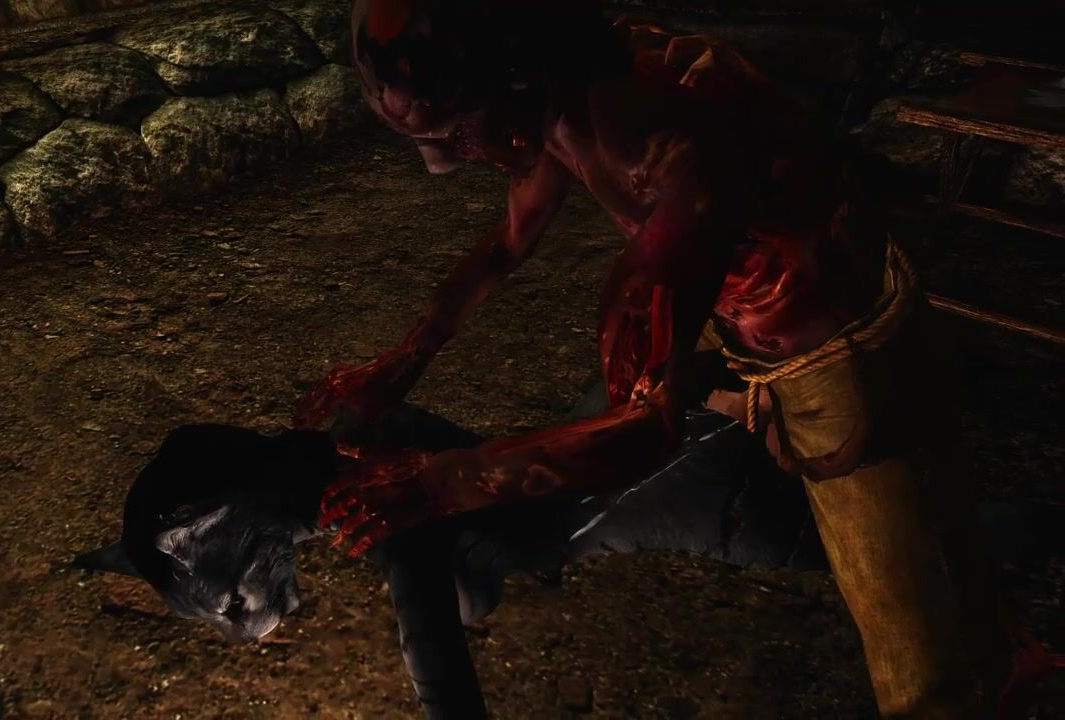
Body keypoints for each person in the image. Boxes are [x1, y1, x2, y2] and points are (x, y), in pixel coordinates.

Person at [293, 1, 1056, 716]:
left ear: (510, 77)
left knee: (921, 662)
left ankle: (991, 657)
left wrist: (443, 483)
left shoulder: (665, 143)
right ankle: (977, 606)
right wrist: (407, 357)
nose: (460, 155)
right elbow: (508, 243)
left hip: (839, 351)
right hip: (749, 310)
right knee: (894, 527)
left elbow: (645, 427)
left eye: (462, 132)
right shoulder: (560, 89)